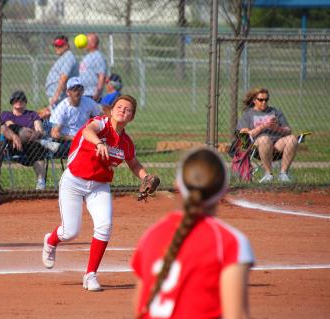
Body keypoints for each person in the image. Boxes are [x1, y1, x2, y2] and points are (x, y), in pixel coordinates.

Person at [42, 95, 155, 291]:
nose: (122, 111)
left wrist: (146, 177)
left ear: (131, 117)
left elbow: (134, 163)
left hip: (99, 186)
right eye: (119, 107)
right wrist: (99, 143)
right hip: (74, 181)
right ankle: (51, 241)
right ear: (111, 110)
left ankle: (90, 275)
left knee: (104, 225)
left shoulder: (126, 142)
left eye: (127, 110)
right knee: (70, 232)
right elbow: (87, 130)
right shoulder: (100, 124)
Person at [131, 147, 254, 319]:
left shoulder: (150, 236)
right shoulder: (231, 242)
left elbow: (139, 307)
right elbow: (237, 315)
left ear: (177, 186)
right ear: (224, 190)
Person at [0, 90, 60, 190]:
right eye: (16, 99)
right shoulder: (6, 114)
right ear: (12, 102)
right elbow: (9, 126)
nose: (19, 101)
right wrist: (23, 131)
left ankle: (41, 182)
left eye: (22, 99)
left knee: (36, 146)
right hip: (14, 144)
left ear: (25, 102)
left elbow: (39, 129)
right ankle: (42, 142)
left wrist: (37, 133)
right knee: (15, 128)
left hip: (31, 144)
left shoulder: (32, 114)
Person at [237, 87, 298, 183]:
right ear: (254, 100)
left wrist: (276, 128)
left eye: (266, 99)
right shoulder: (248, 114)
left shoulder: (275, 112)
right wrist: (264, 126)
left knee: (293, 139)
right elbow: (244, 134)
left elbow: (288, 130)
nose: (264, 102)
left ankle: (283, 174)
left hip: (277, 145)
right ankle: (268, 174)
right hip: (257, 147)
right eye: (261, 100)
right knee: (265, 139)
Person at [49, 77, 101, 158]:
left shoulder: (89, 102)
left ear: (83, 91)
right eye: (74, 89)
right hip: (67, 142)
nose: (77, 92)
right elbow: (54, 133)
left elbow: (99, 119)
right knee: (84, 149)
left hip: (86, 138)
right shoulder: (62, 108)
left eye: (80, 89)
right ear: (68, 92)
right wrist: (75, 138)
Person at [45, 35, 79, 108]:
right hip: (58, 97)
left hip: (60, 97)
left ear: (67, 45)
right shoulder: (65, 57)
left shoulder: (69, 57)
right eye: (55, 45)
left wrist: (56, 97)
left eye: (59, 45)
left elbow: (64, 78)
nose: (57, 47)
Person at [79, 32, 107, 102]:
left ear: (93, 44)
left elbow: (101, 76)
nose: (85, 43)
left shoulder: (98, 56)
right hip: (83, 93)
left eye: (87, 41)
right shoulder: (87, 56)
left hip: (92, 94)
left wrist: (97, 93)